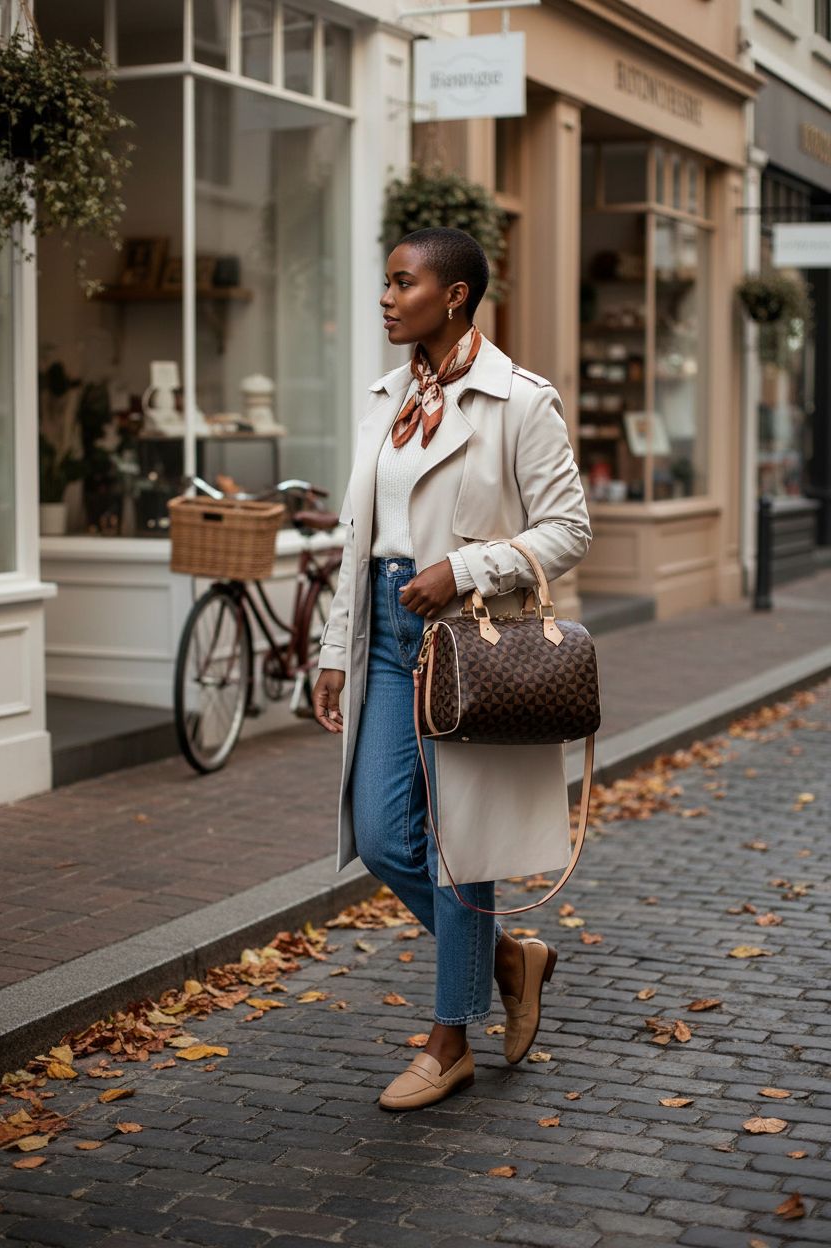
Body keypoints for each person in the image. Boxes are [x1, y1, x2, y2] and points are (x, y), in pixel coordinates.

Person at [312, 226, 592, 1111]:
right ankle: (510, 958)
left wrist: (466, 570)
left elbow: (569, 530)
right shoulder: (388, 397)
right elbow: (361, 540)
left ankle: (448, 1040)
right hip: (387, 636)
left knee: (457, 844)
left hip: (466, 643)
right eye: (386, 283)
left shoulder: (519, 400)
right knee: (385, 835)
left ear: (456, 296)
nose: (387, 298)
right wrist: (330, 649)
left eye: (403, 283)